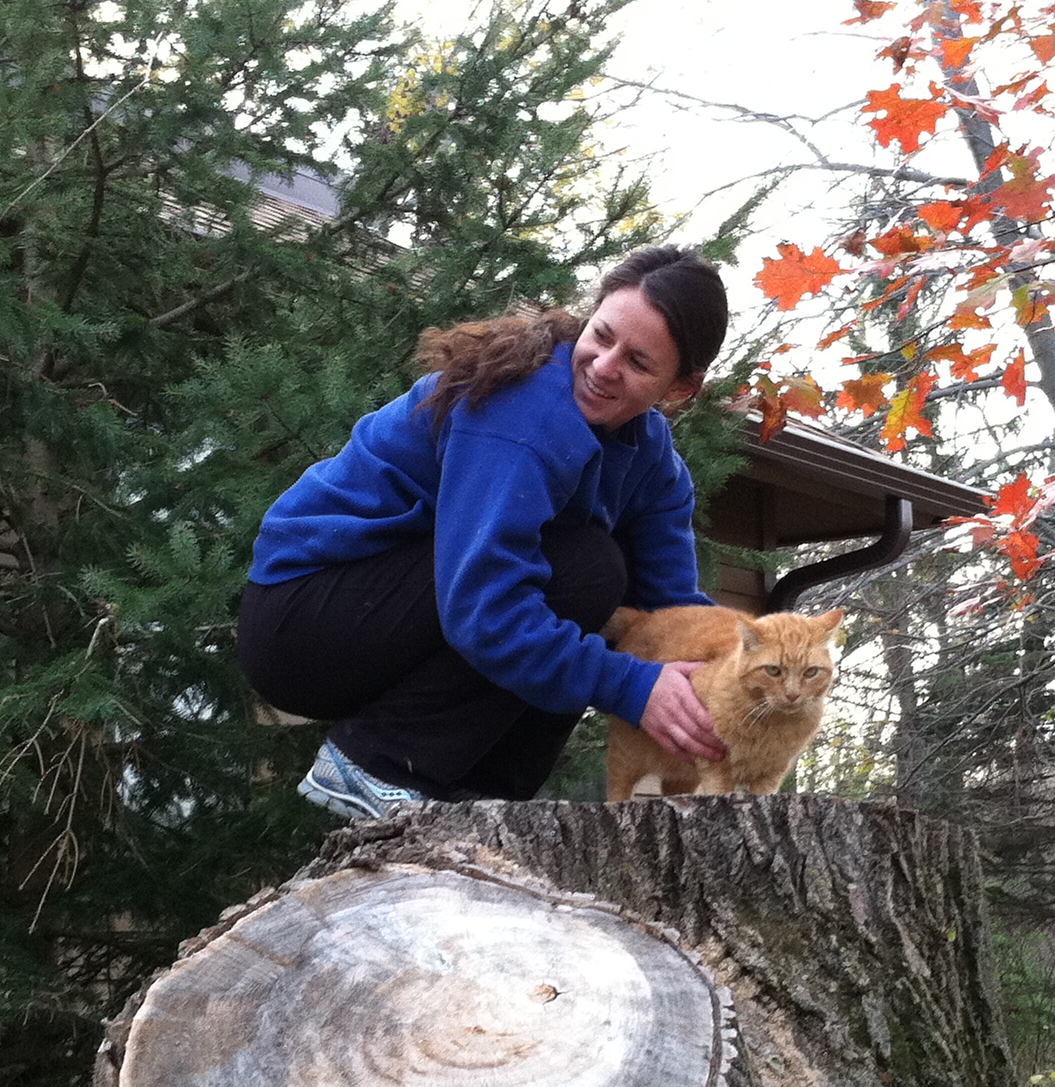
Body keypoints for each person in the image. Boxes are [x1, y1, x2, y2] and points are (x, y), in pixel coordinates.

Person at [239, 246, 731, 820]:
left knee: (600, 581)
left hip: (400, 616)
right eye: (600, 336)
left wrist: (735, 679)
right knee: (587, 569)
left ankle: (487, 803)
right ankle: (379, 766)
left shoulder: (655, 466)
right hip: (304, 622)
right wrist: (632, 687)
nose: (603, 365)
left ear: (680, 389)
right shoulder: (522, 415)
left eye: (639, 362)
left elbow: (673, 616)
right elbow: (483, 607)